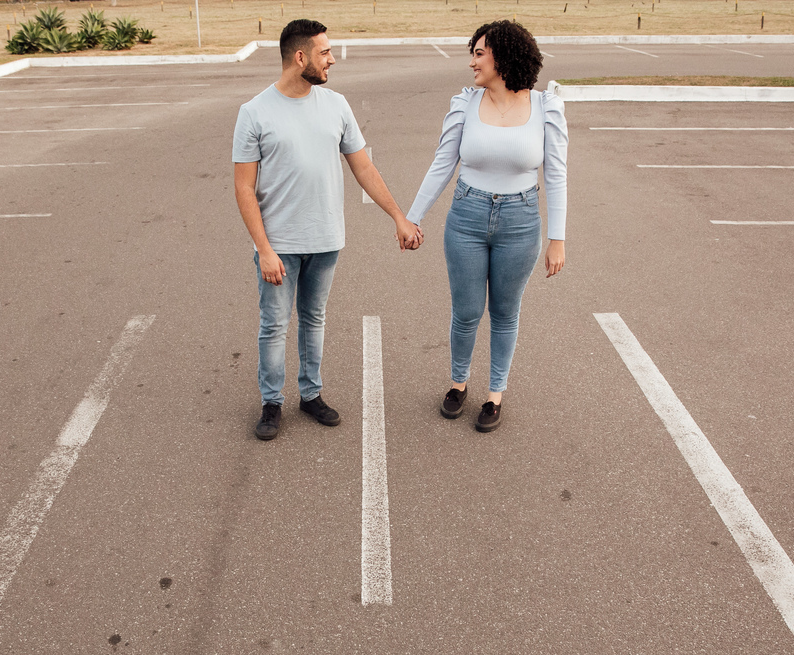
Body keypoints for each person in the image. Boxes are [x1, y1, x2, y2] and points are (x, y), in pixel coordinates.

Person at [233, 19, 422, 441]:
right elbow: (244, 188)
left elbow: (364, 167)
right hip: (279, 245)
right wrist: (263, 249)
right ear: (300, 57)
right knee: (274, 325)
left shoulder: (336, 105)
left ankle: (311, 394)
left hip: (326, 239)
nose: (332, 59)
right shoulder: (254, 112)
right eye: (325, 53)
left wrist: (398, 215)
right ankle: (271, 402)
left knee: (314, 319)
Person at [406, 19, 568, 433]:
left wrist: (557, 239)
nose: (472, 63)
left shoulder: (545, 108)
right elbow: (443, 163)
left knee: (505, 312)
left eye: (479, 54)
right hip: (467, 217)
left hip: (521, 222)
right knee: (466, 312)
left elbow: (556, 176)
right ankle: (458, 384)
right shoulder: (465, 103)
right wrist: (413, 216)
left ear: (503, 56)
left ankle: (495, 395)